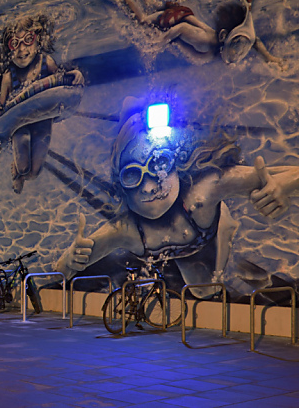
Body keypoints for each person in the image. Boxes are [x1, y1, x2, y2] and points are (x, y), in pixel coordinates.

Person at [56, 97, 298, 293]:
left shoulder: (202, 193)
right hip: (183, 253)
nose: (149, 187)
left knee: (217, 277)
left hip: (206, 232)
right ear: (121, 186)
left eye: (158, 165)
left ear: (175, 165)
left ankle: (226, 226)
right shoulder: (126, 230)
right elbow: (61, 271)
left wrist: (281, 186)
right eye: (133, 175)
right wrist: (70, 258)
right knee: (202, 291)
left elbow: (284, 175)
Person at [0, 14, 83, 192]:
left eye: (28, 40)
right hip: (20, 125)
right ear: (9, 50)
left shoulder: (46, 62)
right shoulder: (9, 76)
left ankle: (22, 173)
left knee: (34, 173)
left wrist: (74, 75)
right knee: (24, 168)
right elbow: (2, 106)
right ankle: (17, 171)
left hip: (42, 121)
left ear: (37, 41)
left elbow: (61, 81)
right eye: (14, 44)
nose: (21, 49)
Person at [121, 0, 282, 65]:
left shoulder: (242, 40)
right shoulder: (205, 42)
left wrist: (269, 57)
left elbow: (254, 41)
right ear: (223, 37)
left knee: (153, 10)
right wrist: (160, 42)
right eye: (236, 49)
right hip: (173, 21)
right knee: (143, 21)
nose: (239, 53)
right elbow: (182, 27)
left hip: (184, 16)